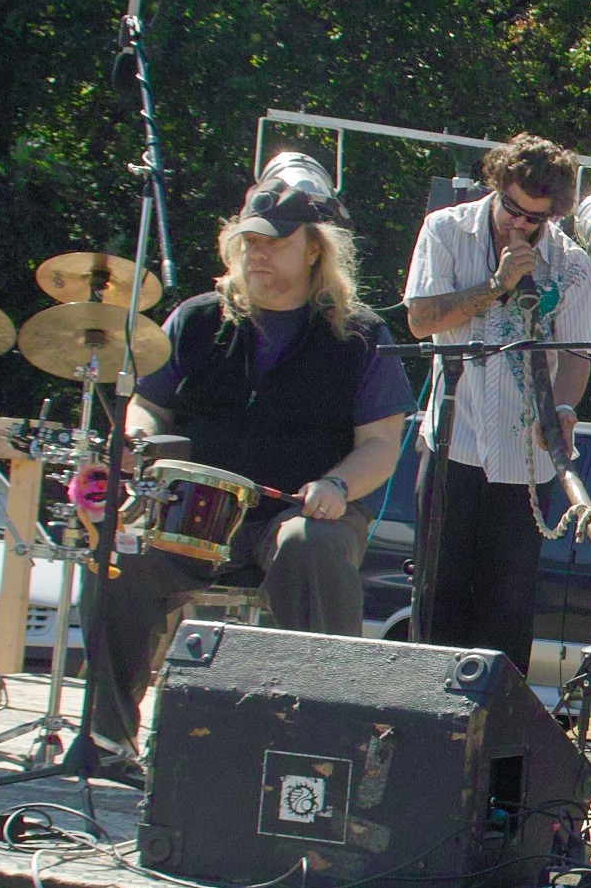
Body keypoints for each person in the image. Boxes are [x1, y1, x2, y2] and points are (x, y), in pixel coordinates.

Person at [81, 172, 413, 780]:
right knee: (118, 554)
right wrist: (139, 438)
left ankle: (323, 746)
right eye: (249, 241)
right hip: (191, 512)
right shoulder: (195, 319)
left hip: (300, 515)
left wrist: (337, 486)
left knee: (309, 545)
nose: (257, 254)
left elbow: (381, 445)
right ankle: (108, 740)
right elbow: (148, 405)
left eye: (275, 242)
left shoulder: (361, 335)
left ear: (313, 249)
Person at [402, 134, 591, 677]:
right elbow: (420, 320)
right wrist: (497, 285)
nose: (519, 223)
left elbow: (578, 353)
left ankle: (495, 720)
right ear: (495, 185)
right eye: (511, 208)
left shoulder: (570, 262)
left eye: (535, 218)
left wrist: (563, 410)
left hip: (525, 462)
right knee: (438, 602)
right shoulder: (445, 231)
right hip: (453, 445)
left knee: (507, 612)